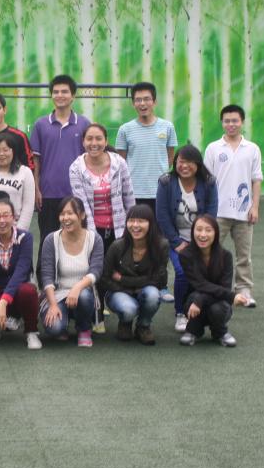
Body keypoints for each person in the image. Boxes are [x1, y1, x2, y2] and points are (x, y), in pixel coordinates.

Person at [203, 104, 264, 308]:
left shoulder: (252, 149)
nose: (231, 124)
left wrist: (254, 207)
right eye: (227, 121)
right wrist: (207, 210)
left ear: (242, 122)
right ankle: (211, 289)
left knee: (244, 256)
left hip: (244, 212)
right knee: (211, 253)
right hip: (217, 212)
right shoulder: (213, 148)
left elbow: (256, 179)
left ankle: (244, 291)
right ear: (222, 123)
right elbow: (206, 181)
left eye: (235, 121)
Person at [156, 145, 218, 333]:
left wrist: (202, 240)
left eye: (189, 162)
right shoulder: (166, 182)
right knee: (183, 272)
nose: (184, 166)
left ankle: (203, 310)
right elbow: (162, 215)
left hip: (202, 239)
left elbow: (211, 213)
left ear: (198, 164)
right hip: (176, 239)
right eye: (181, 162)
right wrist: (176, 242)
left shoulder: (209, 182)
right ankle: (180, 313)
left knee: (205, 273)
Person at [29, 74, 90, 248]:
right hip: (48, 194)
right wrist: (36, 189)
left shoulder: (84, 124)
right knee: (48, 241)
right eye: (55, 92)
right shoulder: (40, 125)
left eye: (64, 91)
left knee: (76, 241)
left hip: (76, 193)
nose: (60, 95)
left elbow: (89, 159)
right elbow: (36, 161)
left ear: (73, 96)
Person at [0, 197, 42, 350]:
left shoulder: (25, 238)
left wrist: (3, 303)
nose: (2, 220)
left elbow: (21, 272)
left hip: (17, 291)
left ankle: (31, 330)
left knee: (28, 291)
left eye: (6, 215)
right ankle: (0, 325)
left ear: (14, 217)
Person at [38, 197, 103, 347]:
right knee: (55, 329)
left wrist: (77, 287)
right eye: (62, 214)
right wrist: (53, 304)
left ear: (82, 215)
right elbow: (46, 276)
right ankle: (63, 323)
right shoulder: (51, 239)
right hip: (57, 294)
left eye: (70, 213)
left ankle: (84, 328)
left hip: (83, 293)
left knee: (84, 296)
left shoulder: (94, 239)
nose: (65, 218)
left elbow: (96, 271)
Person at [100, 204, 169, 345]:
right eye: (131, 221)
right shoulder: (117, 246)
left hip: (139, 288)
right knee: (129, 308)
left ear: (151, 224)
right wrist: (130, 289)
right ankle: (125, 323)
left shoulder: (161, 245)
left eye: (141, 221)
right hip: (118, 291)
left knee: (153, 294)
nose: (135, 225)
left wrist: (123, 279)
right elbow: (105, 278)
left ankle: (143, 326)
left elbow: (160, 280)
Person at [178, 214, 249, 347]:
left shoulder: (226, 256)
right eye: (199, 229)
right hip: (193, 302)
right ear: (193, 232)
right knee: (194, 297)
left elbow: (225, 287)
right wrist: (232, 296)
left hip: (218, 301)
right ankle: (193, 330)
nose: (203, 234)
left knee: (217, 308)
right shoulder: (185, 255)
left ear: (215, 233)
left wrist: (201, 300)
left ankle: (220, 332)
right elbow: (199, 284)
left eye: (208, 230)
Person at [68, 122, 135, 248]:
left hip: (121, 230)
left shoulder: (119, 163)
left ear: (106, 141)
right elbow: (83, 205)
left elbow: (129, 198)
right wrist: (93, 238)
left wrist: (132, 226)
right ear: (83, 142)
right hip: (92, 232)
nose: (94, 143)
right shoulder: (75, 169)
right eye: (89, 139)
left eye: (99, 139)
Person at [114, 82, 178, 211]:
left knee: (160, 224)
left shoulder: (167, 127)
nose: (142, 103)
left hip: (161, 190)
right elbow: (121, 162)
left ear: (154, 102)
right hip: (133, 192)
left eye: (147, 99)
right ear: (133, 104)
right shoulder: (125, 129)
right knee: (136, 223)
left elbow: (170, 158)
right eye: (138, 100)